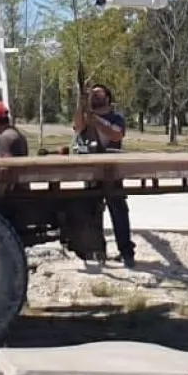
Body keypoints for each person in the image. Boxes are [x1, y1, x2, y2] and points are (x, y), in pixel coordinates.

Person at [73, 83, 135, 268]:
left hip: (112, 172)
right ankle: (97, 251)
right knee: (92, 212)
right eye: (92, 95)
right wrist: (80, 103)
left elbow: (116, 135)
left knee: (119, 211)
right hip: (92, 171)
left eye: (98, 94)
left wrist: (96, 120)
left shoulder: (115, 117)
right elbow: (77, 126)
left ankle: (126, 252)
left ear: (107, 97)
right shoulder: (85, 116)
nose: (94, 97)